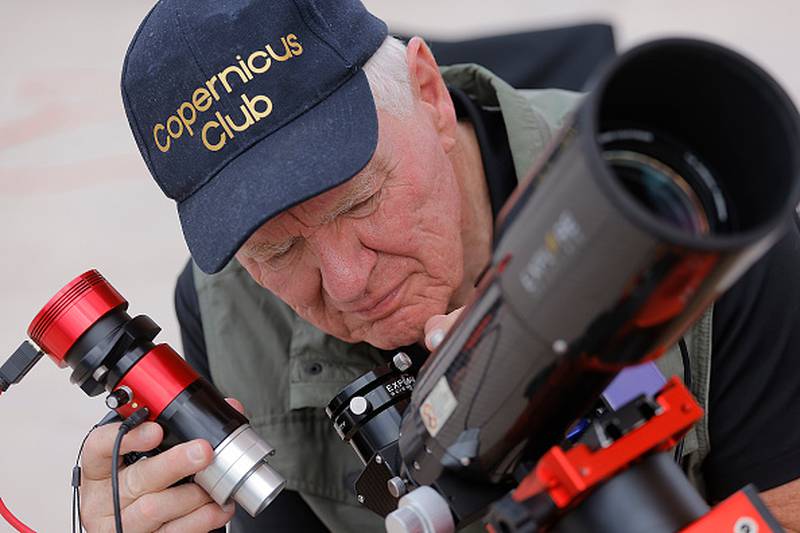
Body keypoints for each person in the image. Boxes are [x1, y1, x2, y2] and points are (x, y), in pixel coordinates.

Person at [79, 0, 800, 532]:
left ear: (428, 90)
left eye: (359, 200)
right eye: (278, 249)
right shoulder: (221, 308)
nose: (346, 279)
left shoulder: (682, 217)